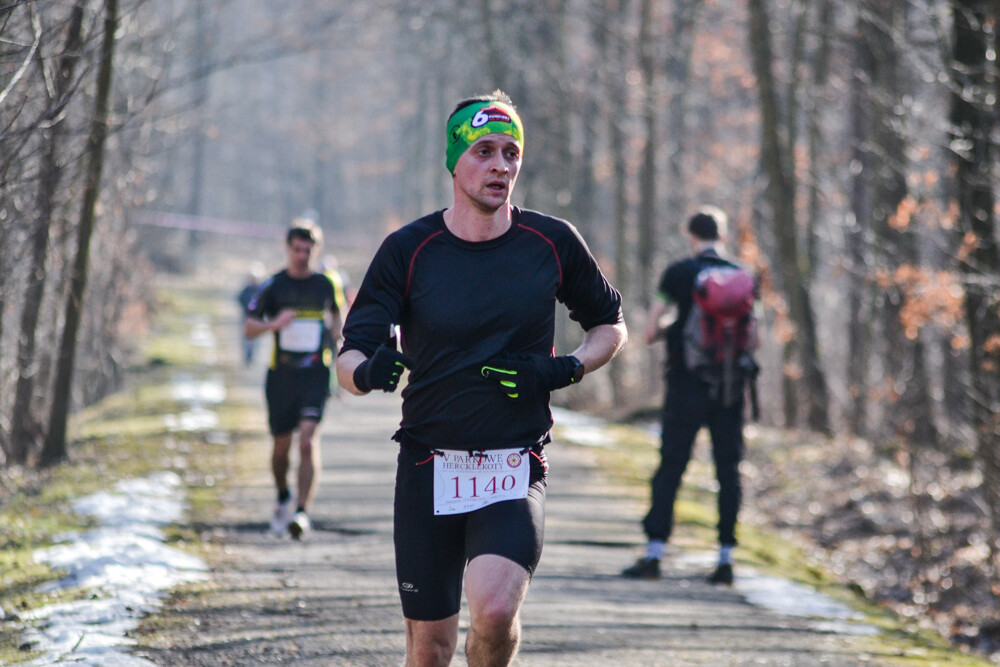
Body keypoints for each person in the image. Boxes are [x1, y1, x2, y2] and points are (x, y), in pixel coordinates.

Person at [337, 90, 627, 667]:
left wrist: (565, 368)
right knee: (431, 649)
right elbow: (347, 360)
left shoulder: (551, 241)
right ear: (454, 161)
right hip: (428, 464)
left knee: (494, 611)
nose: (501, 166)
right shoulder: (409, 249)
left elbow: (610, 325)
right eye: (485, 151)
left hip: (513, 463)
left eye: (512, 153)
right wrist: (370, 372)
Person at [622, 206, 755, 585]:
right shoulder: (744, 279)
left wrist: (673, 328)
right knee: (727, 471)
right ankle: (726, 558)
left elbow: (649, 331)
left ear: (690, 235)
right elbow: (755, 339)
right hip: (730, 388)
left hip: (685, 387)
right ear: (723, 235)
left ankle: (654, 555)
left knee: (672, 467)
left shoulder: (678, 273)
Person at [245, 221, 342, 540]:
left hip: (315, 374)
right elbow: (248, 327)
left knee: (307, 440)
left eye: (308, 250)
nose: (302, 256)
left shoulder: (326, 285)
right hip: (282, 376)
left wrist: (342, 361)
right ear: (288, 249)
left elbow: (337, 324)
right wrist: (275, 323)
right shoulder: (273, 285)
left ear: (316, 250)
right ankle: (283, 493)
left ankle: (301, 511)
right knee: (281, 447)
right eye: (297, 249)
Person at [237, 262, 266, 366]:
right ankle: (246, 356)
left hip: (257, 318)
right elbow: (240, 299)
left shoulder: (261, 290)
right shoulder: (246, 290)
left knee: (255, 340)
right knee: (246, 338)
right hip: (246, 317)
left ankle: (252, 357)